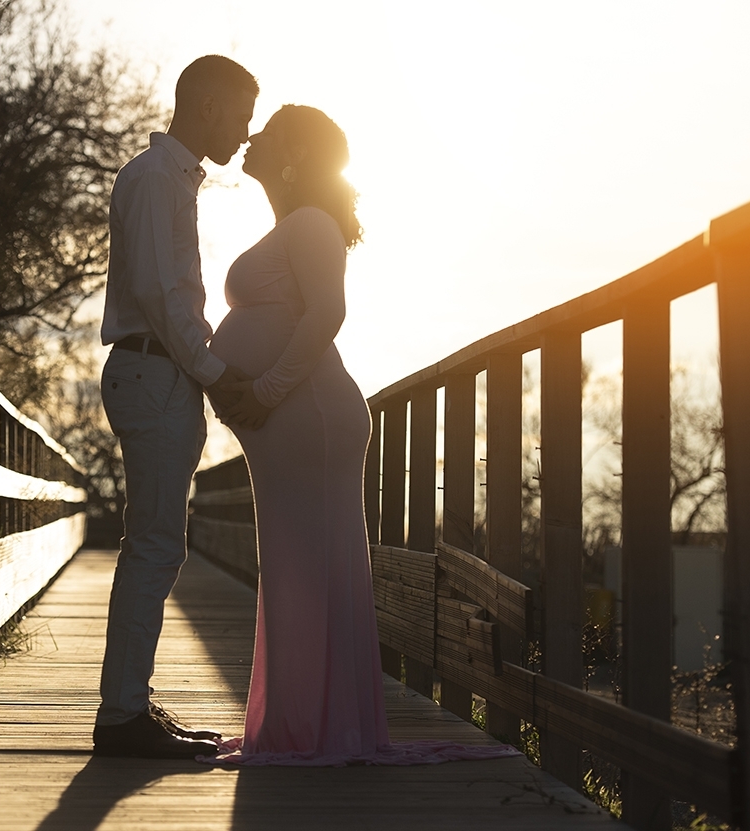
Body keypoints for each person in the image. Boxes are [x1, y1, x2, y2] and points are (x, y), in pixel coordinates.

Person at [206, 105, 522, 765]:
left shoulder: (312, 222)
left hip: (307, 415)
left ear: (293, 153)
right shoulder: (293, 225)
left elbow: (328, 311)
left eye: (265, 129)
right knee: (296, 568)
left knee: (307, 569)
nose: (251, 135)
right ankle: (307, 723)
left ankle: (318, 728)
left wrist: (261, 392)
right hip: (290, 418)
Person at [92, 55, 258, 759]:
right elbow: (164, 296)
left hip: (157, 375)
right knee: (155, 546)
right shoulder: (159, 178)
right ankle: (122, 715)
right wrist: (218, 373)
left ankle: (130, 702)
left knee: (155, 545)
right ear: (211, 105)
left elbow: (168, 296)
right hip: (154, 373)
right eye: (244, 113)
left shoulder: (166, 177)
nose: (248, 131)